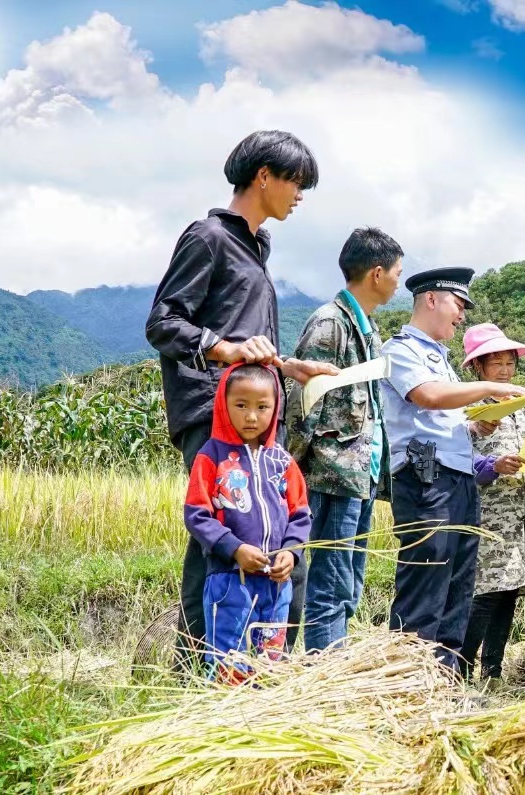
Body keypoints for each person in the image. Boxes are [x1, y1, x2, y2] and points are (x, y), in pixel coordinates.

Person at [146, 130, 338, 665]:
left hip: (260, 419)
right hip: (217, 414)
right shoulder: (209, 237)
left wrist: (289, 367)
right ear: (264, 176)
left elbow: (249, 345)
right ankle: (195, 672)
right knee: (217, 544)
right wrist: (224, 349)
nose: (299, 196)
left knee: (276, 542)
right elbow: (163, 323)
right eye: (297, 183)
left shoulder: (257, 248)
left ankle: (263, 669)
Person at [381, 267, 525, 670]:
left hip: (459, 478)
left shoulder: (440, 358)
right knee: (426, 579)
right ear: (431, 300)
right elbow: (428, 397)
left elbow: (441, 420)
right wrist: (490, 388)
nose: (461, 315)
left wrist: (474, 426)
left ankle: (445, 679)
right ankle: (409, 677)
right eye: (458, 305)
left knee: (458, 584)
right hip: (426, 480)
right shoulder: (400, 350)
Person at [285, 228, 402, 652]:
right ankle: (324, 667)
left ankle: (335, 661)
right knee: (330, 582)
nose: (399, 281)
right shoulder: (330, 324)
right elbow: (303, 401)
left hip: (359, 475)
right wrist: (291, 467)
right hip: (331, 474)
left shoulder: (367, 328)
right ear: (376, 273)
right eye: (397, 272)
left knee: (349, 580)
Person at [183, 363, 312, 683]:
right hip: (230, 581)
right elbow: (197, 513)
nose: (251, 416)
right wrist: (234, 548)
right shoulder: (211, 457)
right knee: (230, 663)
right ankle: (229, 710)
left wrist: (291, 552)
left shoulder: (282, 461)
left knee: (270, 664)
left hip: (276, 584)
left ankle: (265, 708)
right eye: (241, 405)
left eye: (262, 407)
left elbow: (300, 513)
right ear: (223, 406)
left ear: (275, 409)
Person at [457, 324, 525, 681]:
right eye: (495, 363)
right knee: (486, 592)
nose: (504, 370)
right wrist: (493, 467)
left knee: (508, 590)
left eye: (509, 363)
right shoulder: (466, 407)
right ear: (478, 367)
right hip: (489, 516)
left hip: (522, 514)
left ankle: (493, 671)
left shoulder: (518, 408)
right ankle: (460, 669)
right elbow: (455, 461)